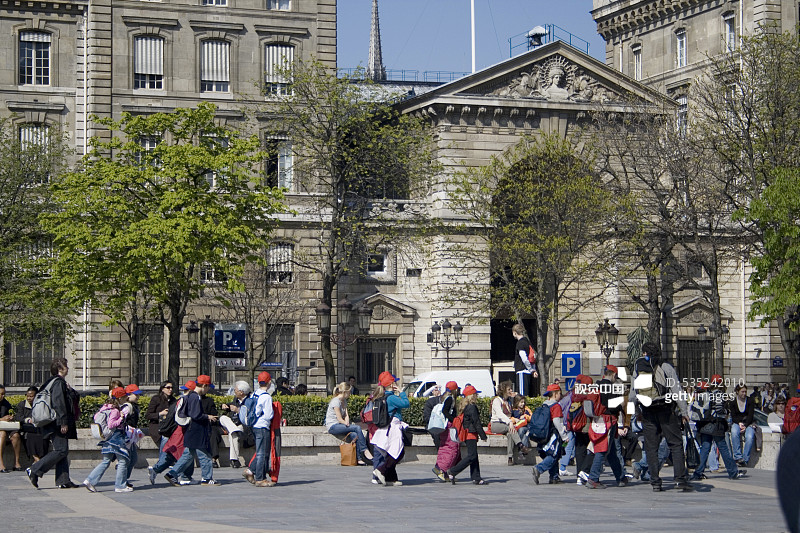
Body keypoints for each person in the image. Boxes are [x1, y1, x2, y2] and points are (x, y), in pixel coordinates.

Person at [633, 342, 694, 492]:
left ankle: (655, 482)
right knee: (676, 444)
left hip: (647, 411)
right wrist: (684, 412)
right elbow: (677, 391)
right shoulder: (666, 367)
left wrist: (636, 412)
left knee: (651, 448)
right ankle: (680, 479)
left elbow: (633, 393)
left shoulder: (638, 368)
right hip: (666, 410)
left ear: (644, 354)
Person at [26, 358, 81, 489]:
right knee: (61, 450)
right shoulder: (58, 383)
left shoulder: (53, 382)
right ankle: (34, 469)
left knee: (62, 450)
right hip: (56, 422)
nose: (68, 368)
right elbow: (59, 402)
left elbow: (72, 397)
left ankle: (63, 480)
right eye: (66, 366)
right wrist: (63, 422)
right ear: (60, 368)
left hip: (53, 422)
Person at [165, 375, 220, 486]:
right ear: (204, 385)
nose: (208, 389)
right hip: (197, 430)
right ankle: (207, 478)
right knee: (205, 455)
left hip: (191, 431)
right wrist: (207, 416)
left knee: (188, 455)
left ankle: (172, 474)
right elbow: (196, 415)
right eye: (208, 387)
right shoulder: (196, 397)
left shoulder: (190, 396)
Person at [690, 377, 746, 481]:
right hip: (716, 425)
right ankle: (733, 472)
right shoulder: (719, 394)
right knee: (723, 448)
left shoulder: (706, 393)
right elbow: (720, 410)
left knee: (705, 448)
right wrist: (725, 412)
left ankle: (698, 473)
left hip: (705, 425)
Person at [82, 387, 133, 493]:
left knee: (106, 461)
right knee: (123, 461)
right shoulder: (115, 410)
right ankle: (120, 485)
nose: (126, 398)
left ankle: (90, 480)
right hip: (116, 439)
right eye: (124, 397)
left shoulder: (105, 407)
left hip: (108, 439)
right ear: (119, 398)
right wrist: (121, 419)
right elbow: (111, 425)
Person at [371, 371, 410, 486]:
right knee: (398, 453)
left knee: (391, 453)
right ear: (391, 385)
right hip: (393, 427)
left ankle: (391, 478)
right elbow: (406, 404)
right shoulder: (391, 398)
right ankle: (381, 470)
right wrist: (402, 393)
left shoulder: (383, 396)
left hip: (387, 427)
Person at [446, 385, 488, 485]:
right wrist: (483, 435)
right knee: (472, 456)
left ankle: (476, 477)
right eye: (475, 394)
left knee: (474, 456)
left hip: (467, 433)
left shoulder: (465, 407)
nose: (477, 396)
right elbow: (476, 422)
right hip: (471, 433)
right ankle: (453, 471)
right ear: (472, 396)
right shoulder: (472, 407)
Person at [532, 383, 570, 485]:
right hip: (554, 434)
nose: (560, 396)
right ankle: (538, 469)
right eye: (559, 393)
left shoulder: (545, 404)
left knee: (554, 454)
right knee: (554, 455)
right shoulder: (556, 406)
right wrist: (564, 436)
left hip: (545, 434)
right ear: (555, 394)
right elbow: (557, 422)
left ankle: (554, 477)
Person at [325, 381, 371, 465]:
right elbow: (339, 419)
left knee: (354, 435)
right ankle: (365, 450)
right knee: (357, 428)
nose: (350, 393)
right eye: (349, 391)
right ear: (345, 392)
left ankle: (359, 459)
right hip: (333, 426)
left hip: (341, 424)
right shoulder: (336, 402)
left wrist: (347, 421)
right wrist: (346, 424)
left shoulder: (344, 401)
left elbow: (346, 415)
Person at [490, 381, 528, 465]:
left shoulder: (509, 401)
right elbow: (500, 414)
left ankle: (510, 457)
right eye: (509, 389)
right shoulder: (497, 401)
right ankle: (521, 445)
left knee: (510, 434)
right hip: (496, 424)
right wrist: (510, 421)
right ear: (503, 390)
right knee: (510, 428)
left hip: (506, 424)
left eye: (511, 388)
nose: (511, 390)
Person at [249, 371, 275, 487]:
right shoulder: (266, 397)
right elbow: (269, 415)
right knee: (262, 453)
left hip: (254, 425)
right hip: (263, 426)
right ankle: (260, 478)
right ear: (269, 382)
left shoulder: (254, 394)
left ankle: (250, 471)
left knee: (260, 451)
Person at [218, 380, 251, 468]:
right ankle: (235, 430)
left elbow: (250, 415)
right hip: (233, 424)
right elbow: (230, 406)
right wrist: (224, 405)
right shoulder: (235, 400)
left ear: (241, 392)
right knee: (223, 418)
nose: (234, 391)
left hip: (242, 425)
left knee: (233, 435)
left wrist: (238, 411)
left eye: (235, 390)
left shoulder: (249, 401)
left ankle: (234, 460)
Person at [432, 381, 460, 482]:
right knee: (452, 448)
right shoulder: (450, 398)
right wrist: (453, 420)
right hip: (449, 426)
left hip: (443, 426)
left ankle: (440, 467)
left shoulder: (443, 397)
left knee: (444, 446)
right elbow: (445, 411)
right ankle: (442, 469)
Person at [13, 386, 47, 463]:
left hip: (38, 428)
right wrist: (27, 420)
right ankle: (36, 458)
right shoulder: (22, 405)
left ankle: (39, 458)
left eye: (31, 396)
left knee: (42, 437)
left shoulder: (40, 404)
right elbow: (18, 416)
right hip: (27, 429)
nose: (29, 398)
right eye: (27, 396)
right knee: (29, 436)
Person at [728, 384, 756, 467]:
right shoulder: (733, 402)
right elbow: (733, 416)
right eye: (742, 392)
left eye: (745, 392)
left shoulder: (750, 400)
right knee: (734, 432)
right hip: (737, 422)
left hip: (748, 422)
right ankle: (738, 457)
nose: (744, 393)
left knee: (750, 437)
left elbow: (751, 415)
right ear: (737, 392)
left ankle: (745, 459)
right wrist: (739, 423)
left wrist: (745, 425)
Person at [121, 384, 143, 483]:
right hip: (126, 436)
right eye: (136, 395)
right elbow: (121, 421)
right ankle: (122, 480)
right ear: (129, 395)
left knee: (132, 459)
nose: (138, 397)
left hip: (131, 436)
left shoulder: (133, 406)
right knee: (128, 459)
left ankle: (124, 479)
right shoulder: (127, 407)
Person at [0, 384, 23, 472]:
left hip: (6, 427)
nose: (2, 396)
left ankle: (16, 463)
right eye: (1, 394)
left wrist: (11, 417)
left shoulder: (5, 403)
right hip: (1, 430)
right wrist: (2, 419)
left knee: (16, 435)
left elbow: (11, 412)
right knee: (2, 434)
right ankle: (1, 463)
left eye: (3, 394)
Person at [145, 381, 175, 448]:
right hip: (157, 427)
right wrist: (160, 414)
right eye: (168, 387)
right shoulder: (156, 399)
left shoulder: (173, 400)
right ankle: (162, 458)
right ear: (162, 389)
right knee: (165, 439)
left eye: (171, 388)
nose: (170, 389)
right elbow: (148, 415)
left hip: (169, 426)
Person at [512, 323, 538, 397]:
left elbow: (524, 358)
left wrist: (531, 370)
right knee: (526, 396)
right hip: (528, 372)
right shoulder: (528, 342)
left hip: (522, 372)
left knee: (521, 396)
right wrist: (533, 370)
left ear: (515, 333)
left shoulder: (520, 343)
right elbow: (532, 357)